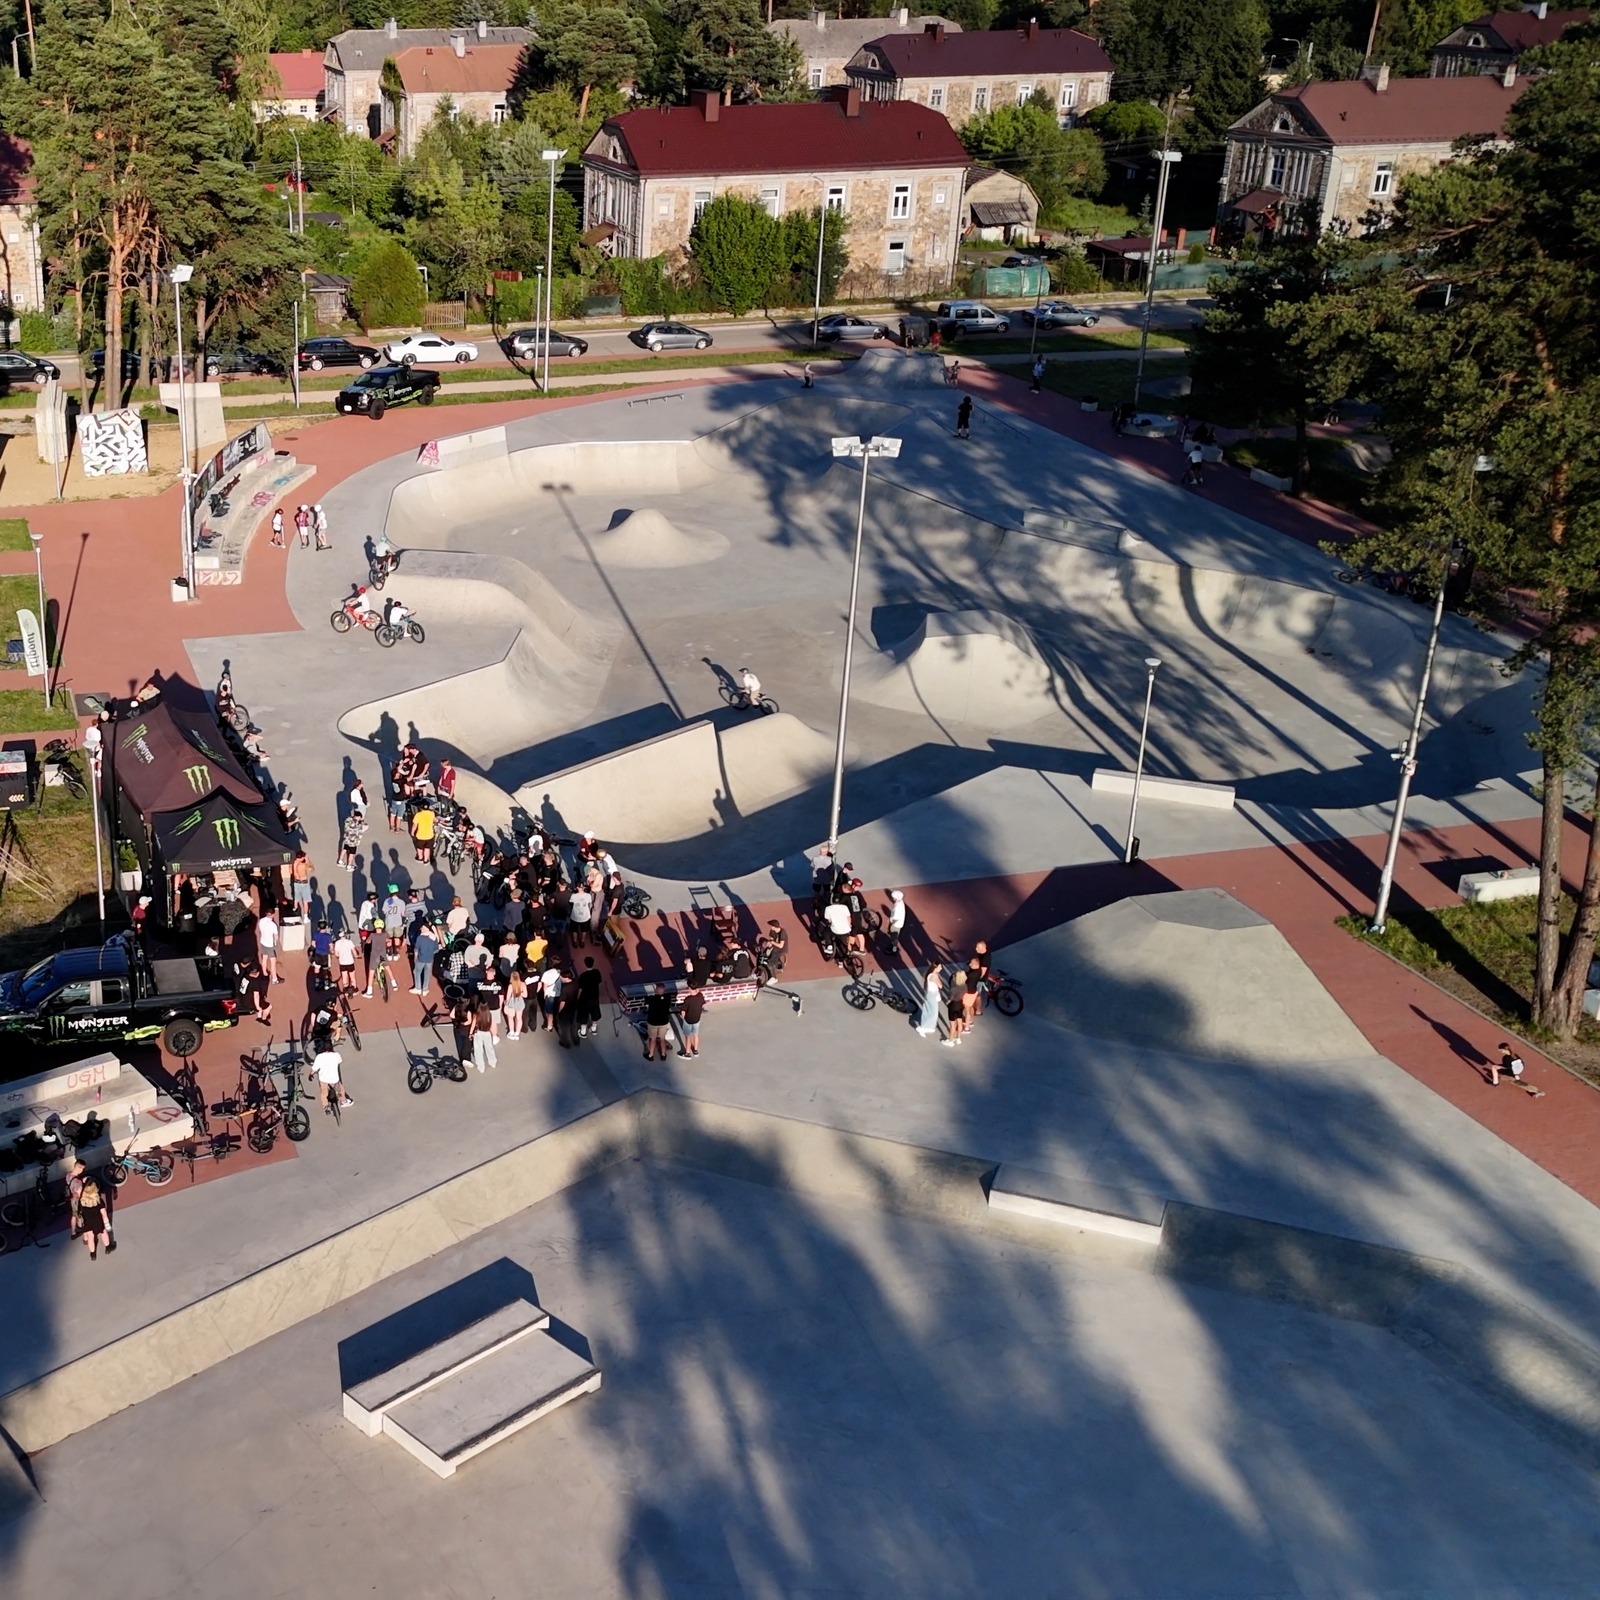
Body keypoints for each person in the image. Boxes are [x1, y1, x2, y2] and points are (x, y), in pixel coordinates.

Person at [68, 1160, 113, 1259]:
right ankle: (108, 1247)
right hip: (98, 1221)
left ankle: (92, 1254)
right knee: (103, 1232)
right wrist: (108, 1225)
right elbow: (104, 1214)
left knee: (90, 1236)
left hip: (85, 1218)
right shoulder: (99, 1203)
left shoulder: (68, 1177)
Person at [314, 1043, 352, 1112]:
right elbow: (340, 1061)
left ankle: (325, 1106)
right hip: (334, 1079)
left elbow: (314, 1069)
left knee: (323, 1093)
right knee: (341, 1090)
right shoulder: (336, 1055)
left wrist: (310, 1074)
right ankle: (343, 1101)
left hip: (323, 1079)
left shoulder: (319, 1056)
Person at [575, 955, 604, 1039]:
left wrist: (577, 998)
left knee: (583, 1014)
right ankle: (594, 1029)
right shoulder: (597, 972)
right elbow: (599, 982)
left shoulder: (583, 976)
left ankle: (583, 1032)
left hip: (585, 998)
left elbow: (580, 989)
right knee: (595, 1012)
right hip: (594, 996)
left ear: (585, 964)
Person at [643, 983, 673, 1061]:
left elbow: (646, 1000)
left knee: (652, 1039)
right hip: (663, 1021)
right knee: (662, 1038)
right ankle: (663, 1055)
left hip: (653, 1022)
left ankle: (650, 1055)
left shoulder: (652, 999)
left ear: (656, 990)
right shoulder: (668, 998)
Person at [412, 914, 441, 998]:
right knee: (427, 974)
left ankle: (418, 987)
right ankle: (425, 989)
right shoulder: (434, 937)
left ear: (425, 928)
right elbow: (436, 949)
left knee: (417, 972)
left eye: (422, 928)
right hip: (430, 959)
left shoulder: (420, 938)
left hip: (421, 959)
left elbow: (416, 949)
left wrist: (415, 958)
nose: (420, 929)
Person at [756, 919, 788, 985]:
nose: (770, 927)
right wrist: (769, 943)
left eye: (771, 926)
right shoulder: (772, 931)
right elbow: (771, 939)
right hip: (774, 947)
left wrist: (772, 942)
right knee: (764, 953)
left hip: (781, 949)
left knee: (770, 962)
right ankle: (777, 965)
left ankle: (774, 978)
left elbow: (781, 945)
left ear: (774, 926)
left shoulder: (782, 932)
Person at [678, 982, 705, 1058]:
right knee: (696, 1034)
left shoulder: (688, 999)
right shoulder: (700, 997)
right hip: (697, 1019)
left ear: (690, 988)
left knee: (688, 1036)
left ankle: (687, 1053)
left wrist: (682, 1016)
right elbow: (702, 1001)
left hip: (688, 1020)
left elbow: (683, 1011)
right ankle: (695, 1051)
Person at [470, 1000, 498, 1072]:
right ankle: (493, 1062)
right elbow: (492, 1025)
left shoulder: (477, 1015)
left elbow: (473, 1024)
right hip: (487, 1033)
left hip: (478, 1033)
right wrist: (494, 1034)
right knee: (489, 1048)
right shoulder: (489, 1014)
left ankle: (481, 1066)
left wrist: (470, 1033)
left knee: (478, 1050)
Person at [943, 970, 969, 1046]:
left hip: (953, 1006)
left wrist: (945, 1001)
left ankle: (950, 1040)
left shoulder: (953, 989)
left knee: (952, 1024)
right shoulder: (965, 986)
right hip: (960, 1004)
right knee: (959, 1022)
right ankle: (958, 1038)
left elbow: (950, 999)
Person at [917, 964, 943, 1038]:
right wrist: (937, 977)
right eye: (939, 967)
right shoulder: (933, 976)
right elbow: (940, 985)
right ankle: (924, 1028)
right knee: (934, 1012)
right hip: (932, 995)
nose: (941, 968)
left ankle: (925, 1025)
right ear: (935, 968)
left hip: (930, 994)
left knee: (927, 1010)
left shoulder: (931, 975)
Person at [257, 907, 281, 985]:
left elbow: (260, 930)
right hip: (270, 945)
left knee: (264, 958)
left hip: (263, 942)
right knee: (273, 962)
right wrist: (275, 942)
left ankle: (265, 974)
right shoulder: (273, 925)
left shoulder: (261, 921)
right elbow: (276, 937)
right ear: (273, 914)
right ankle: (274, 979)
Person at [503, 969, 528, 1039]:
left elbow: (507, 997)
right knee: (519, 1018)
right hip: (520, 1003)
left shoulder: (510, 986)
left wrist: (505, 1003)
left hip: (512, 1003)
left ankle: (511, 1032)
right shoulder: (523, 984)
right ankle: (517, 1034)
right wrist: (520, 993)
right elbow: (526, 995)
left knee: (510, 1018)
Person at [333, 928, 359, 995]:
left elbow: (336, 954)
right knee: (352, 976)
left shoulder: (337, 943)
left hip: (342, 962)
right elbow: (354, 952)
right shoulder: (349, 942)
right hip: (350, 962)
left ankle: (346, 989)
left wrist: (338, 956)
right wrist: (356, 956)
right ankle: (354, 989)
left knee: (344, 976)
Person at [411, 797, 436, 864]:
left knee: (419, 847)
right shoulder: (432, 813)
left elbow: (414, 825)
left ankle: (420, 857)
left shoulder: (418, 815)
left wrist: (412, 832)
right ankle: (425, 860)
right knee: (427, 848)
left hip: (420, 835)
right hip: (430, 835)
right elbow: (434, 820)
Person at [539, 962, 562, 1032]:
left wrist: (544, 994)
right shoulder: (561, 972)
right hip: (559, 994)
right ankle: (558, 1025)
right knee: (558, 1010)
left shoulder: (547, 973)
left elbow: (545, 985)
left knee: (550, 1012)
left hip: (550, 994)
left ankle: (549, 1026)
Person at [291, 850, 313, 914]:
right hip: (304, 883)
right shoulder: (303, 865)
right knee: (305, 901)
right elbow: (312, 869)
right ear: (302, 857)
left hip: (297, 882)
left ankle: (295, 909)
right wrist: (308, 861)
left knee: (296, 898)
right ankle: (305, 916)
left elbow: (294, 873)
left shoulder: (294, 863)